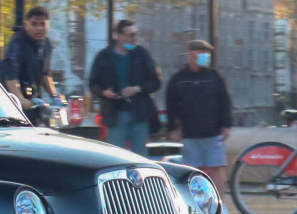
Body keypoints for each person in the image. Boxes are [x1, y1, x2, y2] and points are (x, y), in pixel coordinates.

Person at [86, 19, 163, 154]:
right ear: (118, 36)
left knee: (140, 156)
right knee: (117, 155)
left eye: (135, 35)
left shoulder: (142, 54)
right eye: (130, 35)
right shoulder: (104, 56)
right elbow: (93, 83)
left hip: (139, 112)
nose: (134, 39)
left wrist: (137, 89)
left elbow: (155, 82)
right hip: (115, 113)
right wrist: (105, 93)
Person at [163, 39, 233, 178]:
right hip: (190, 135)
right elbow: (171, 106)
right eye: (201, 52)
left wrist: (227, 125)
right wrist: (173, 128)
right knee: (191, 172)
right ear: (191, 54)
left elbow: (225, 101)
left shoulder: (214, 76)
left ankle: (218, 200)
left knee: (216, 169)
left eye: (206, 52)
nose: (205, 55)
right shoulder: (178, 79)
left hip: (214, 134)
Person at [0, 6, 55, 100]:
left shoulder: (47, 44)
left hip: (32, 96)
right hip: (9, 97)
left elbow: (45, 74)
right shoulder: (17, 42)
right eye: (34, 24)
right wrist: (19, 99)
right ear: (26, 25)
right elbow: (11, 73)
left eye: (42, 24)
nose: (39, 28)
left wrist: (54, 96)